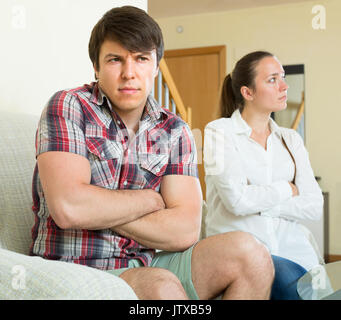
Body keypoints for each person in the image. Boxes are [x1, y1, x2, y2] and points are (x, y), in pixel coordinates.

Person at [30, 6, 274, 300]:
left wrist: (97, 204)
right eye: (115, 60)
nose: (128, 73)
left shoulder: (175, 129)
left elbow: (185, 231)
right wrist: (148, 200)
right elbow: (69, 208)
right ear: (96, 67)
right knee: (160, 285)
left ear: (156, 66)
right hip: (78, 267)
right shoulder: (69, 106)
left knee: (254, 256)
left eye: (141, 59)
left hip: (147, 261)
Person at [203, 51, 324, 299]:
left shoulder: (290, 139)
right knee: (291, 288)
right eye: (272, 79)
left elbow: (314, 206)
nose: (284, 85)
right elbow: (236, 201)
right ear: (248, 93)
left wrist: (263, 205)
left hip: (296, 253)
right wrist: (287, 189)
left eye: (283, 77)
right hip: (244, 256)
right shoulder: (219, 132)